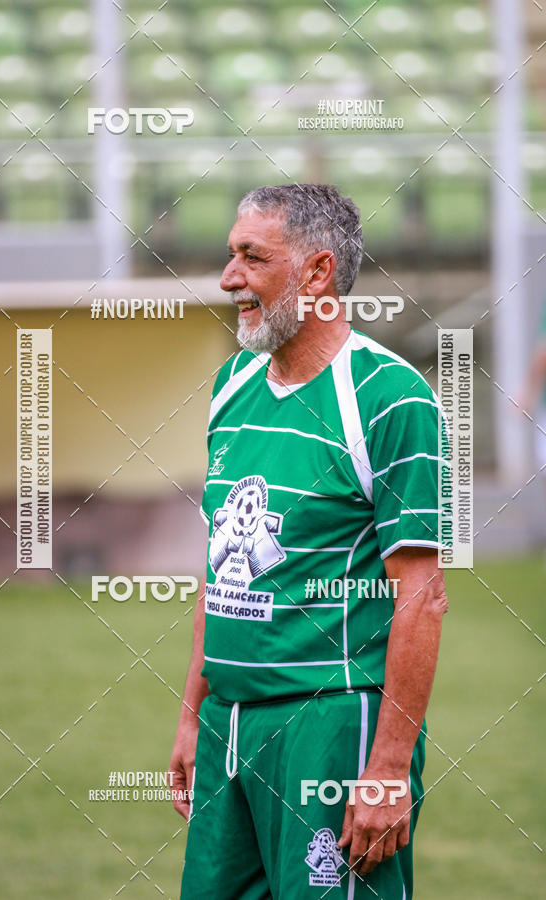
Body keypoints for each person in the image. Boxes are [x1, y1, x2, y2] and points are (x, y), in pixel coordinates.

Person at [169, 184, 448, 899]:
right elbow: (221, 566)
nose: (229, 278)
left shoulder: (390, 398)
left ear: (317, 273)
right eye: (231, 255)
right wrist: (194, 716)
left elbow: (422, 595)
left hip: (328, 726)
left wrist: (386, 770)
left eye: (251, 258)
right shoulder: (233, 385)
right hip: (228, 723)